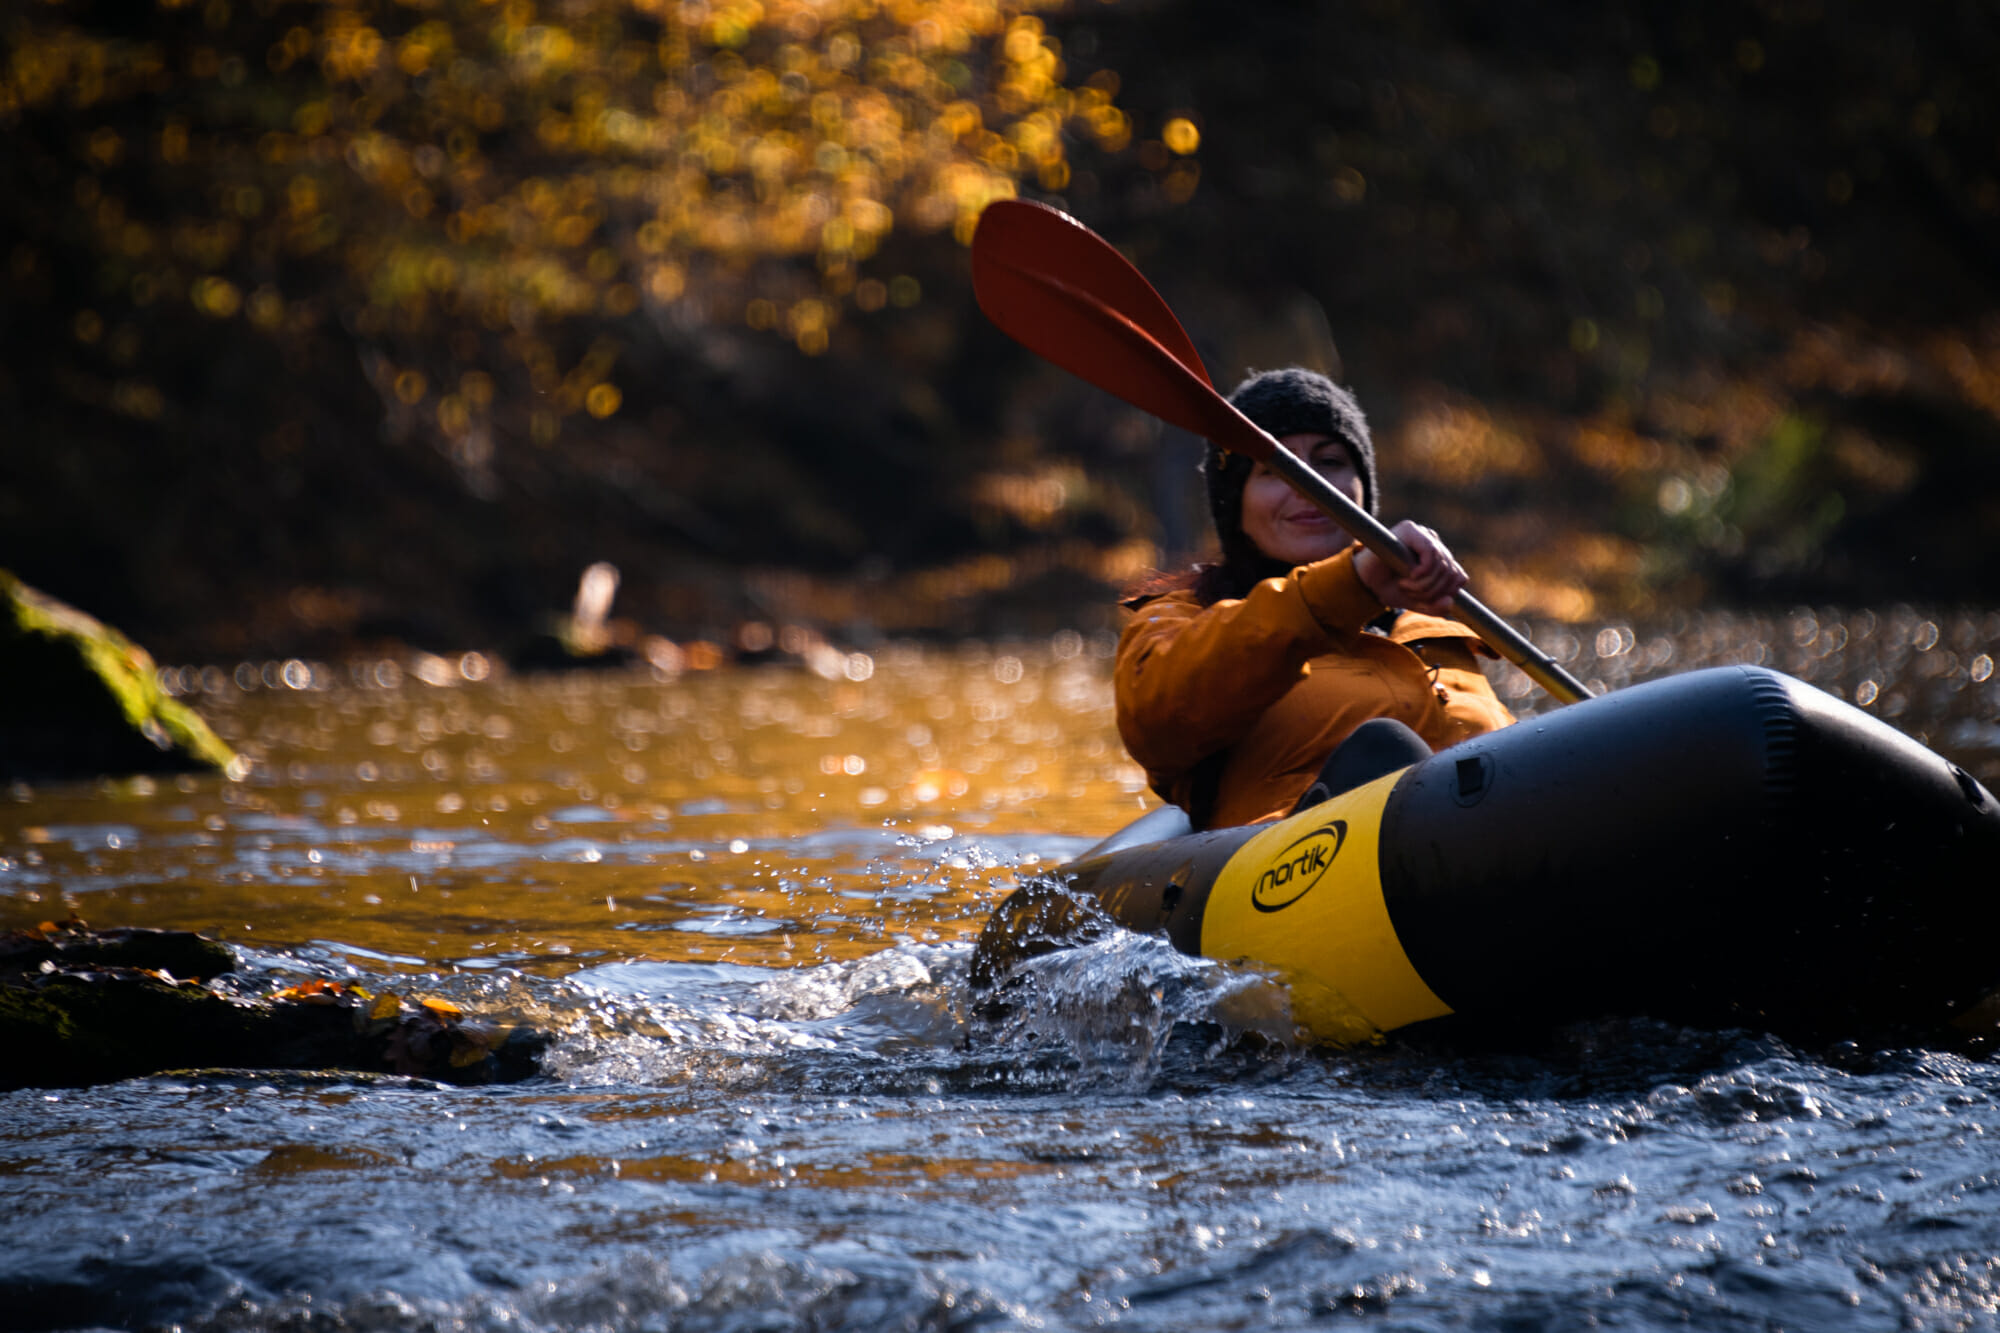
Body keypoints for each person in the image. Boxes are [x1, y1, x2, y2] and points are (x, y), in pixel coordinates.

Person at [1115, 367, 1515, 830]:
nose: (1308, 486)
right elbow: (1156, 724)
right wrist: (1347, 586)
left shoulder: (1436, 628)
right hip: (1298, 866)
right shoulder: (1181, 620)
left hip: (1487, 854)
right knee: (1384, 750)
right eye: (1275, 468)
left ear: (1363, 489)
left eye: (1330, 463)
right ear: (1235, 503)